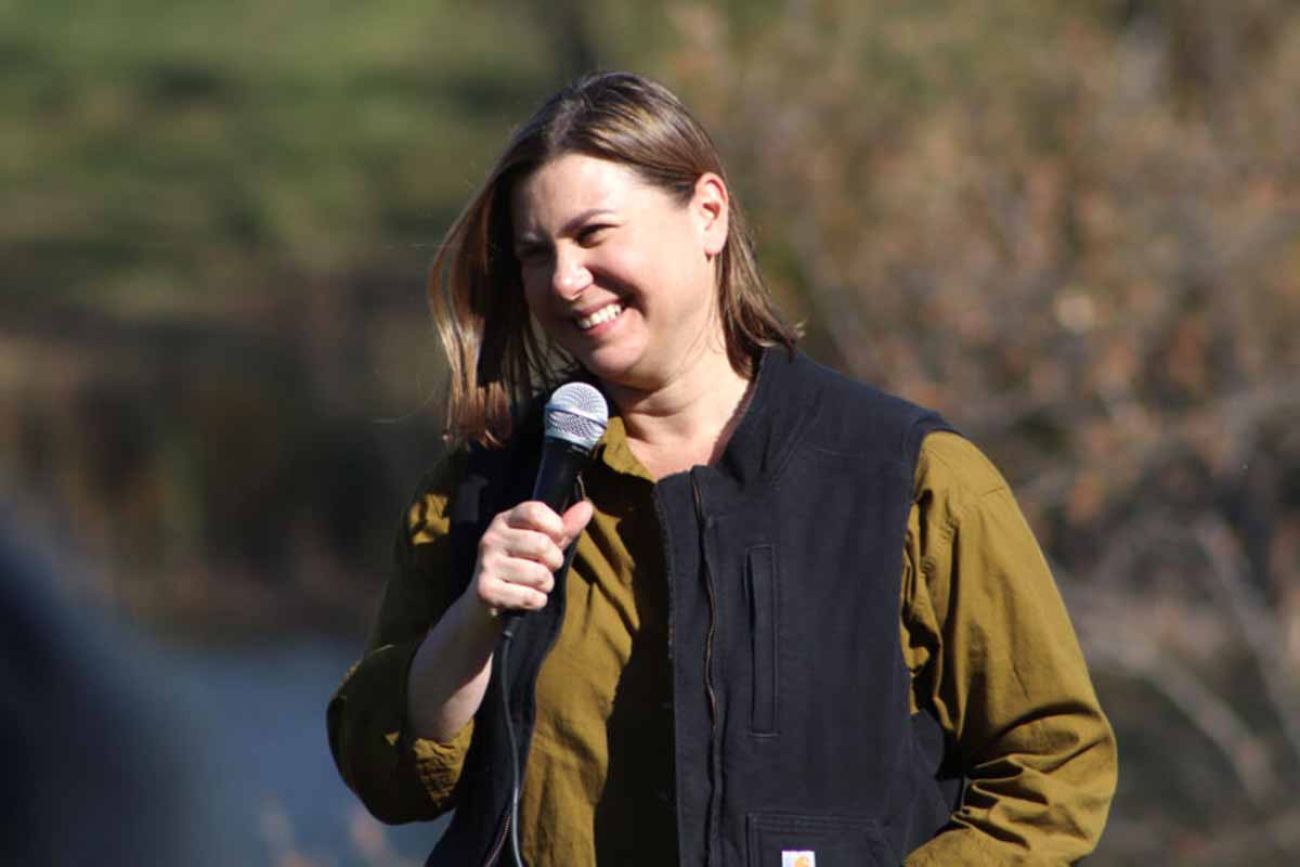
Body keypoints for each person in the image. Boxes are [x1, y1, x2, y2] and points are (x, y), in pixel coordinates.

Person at [327, 71, 1117, 866]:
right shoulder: (481, 490)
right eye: (537, 254)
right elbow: (391, 779)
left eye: (595, 234)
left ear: (708, 212)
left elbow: (1054, 769)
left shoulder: (911, 480)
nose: (565, 279)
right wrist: (474, 619)